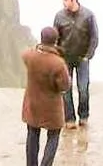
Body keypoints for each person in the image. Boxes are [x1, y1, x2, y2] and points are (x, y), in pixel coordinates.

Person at [21, 26, 72, 166]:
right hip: (51, 107)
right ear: (56, 41)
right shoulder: (58, 63)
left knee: (32, 133)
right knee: (54, 135)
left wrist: (38, 48)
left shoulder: (29, 56)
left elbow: (25, 54)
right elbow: (64, 86)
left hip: (32, 103)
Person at [51, 0, 99, 128]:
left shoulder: (88, 15)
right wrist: (56, 54)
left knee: (83, 89)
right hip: (65, 58)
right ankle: (69, 119)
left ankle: (83, 116)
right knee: (65, 90)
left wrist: (88, 56)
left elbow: (94, 37)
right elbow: (55, 37)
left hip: (82, 58)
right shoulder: (59, 16)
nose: (63, 2)